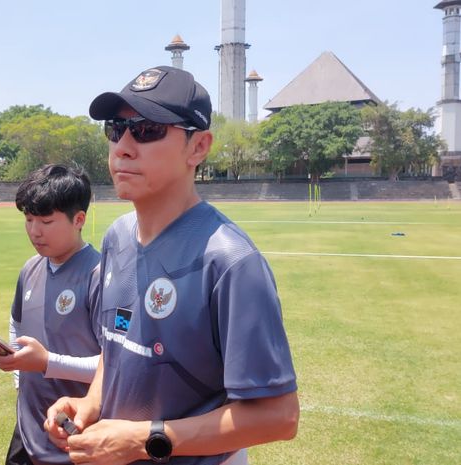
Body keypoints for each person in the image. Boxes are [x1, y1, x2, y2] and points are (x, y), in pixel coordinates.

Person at [45, 66, 300, 465]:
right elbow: (116, 351)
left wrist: (144, 439)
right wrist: (91, 403)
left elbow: (278, 417)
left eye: (147, 129)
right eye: (116, 129)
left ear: (198, 147)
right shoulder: (115, 238)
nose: (123, 146)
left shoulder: (230, 262)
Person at [0, 164, 101, 465]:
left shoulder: (100, 275)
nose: (34, 231)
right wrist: (18, 371)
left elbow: (116, 365)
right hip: (27, 426)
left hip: (73, 428)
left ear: (79, 219)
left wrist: (47, 363)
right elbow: (17, 322)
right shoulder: (31, 268)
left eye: (47, 221)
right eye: (28, 219)